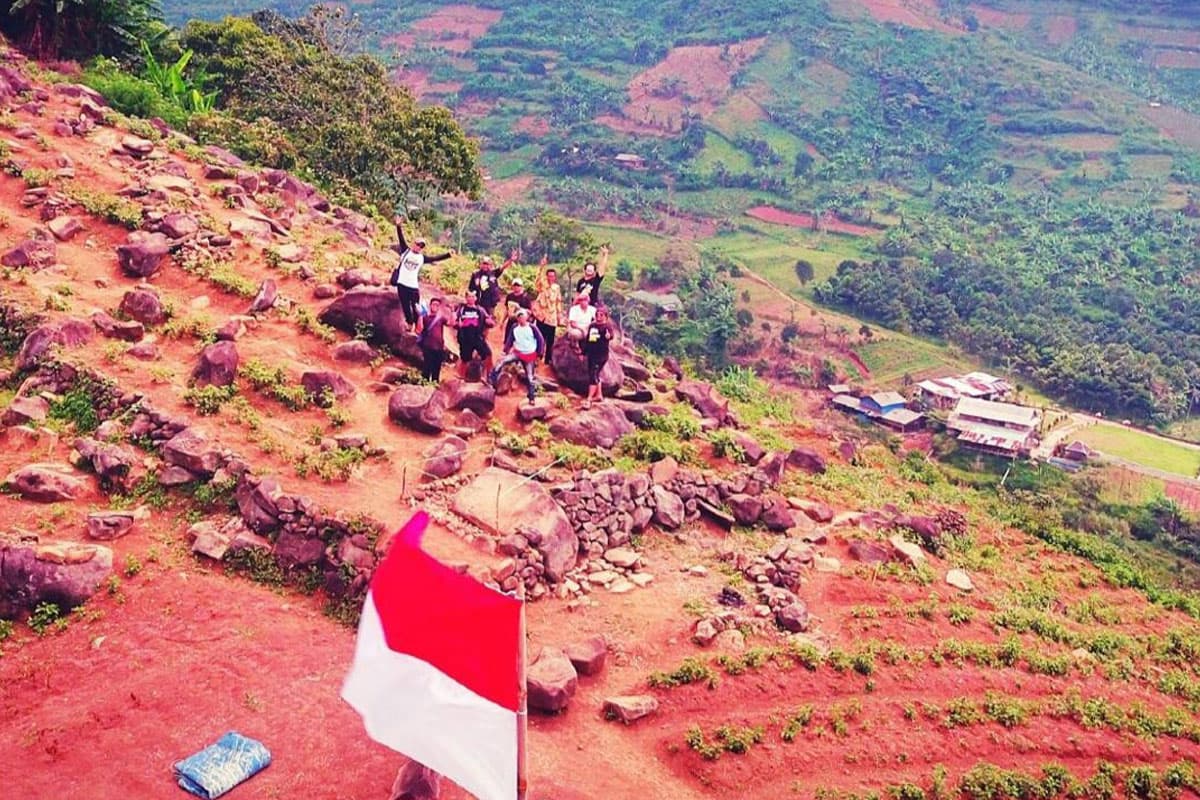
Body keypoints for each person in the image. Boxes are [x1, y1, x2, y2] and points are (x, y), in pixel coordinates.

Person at [390, 217, 452, 329]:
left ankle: (418, 324)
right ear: (414, 244)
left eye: (421, 246)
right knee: (405, 305)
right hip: (402, 283)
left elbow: (435, 258)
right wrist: (398, 226)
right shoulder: (406, 251)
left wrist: (448, 255)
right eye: (418, 244)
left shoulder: (422, 258)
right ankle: (409, 323)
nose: (419, 247)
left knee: (416, 306)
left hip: (413, 286)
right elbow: (401, 238)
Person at [488, 309, 545, 403]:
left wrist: (540, 353)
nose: (521, 319)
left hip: (529, 354)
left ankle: (531, 397)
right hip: (517, 352)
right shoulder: (515, 327)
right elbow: (510, 340)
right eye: (519, 317)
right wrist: (505, 351)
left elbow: (540, 340)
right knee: (501, 362)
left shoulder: (532, 328)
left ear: (526, 317)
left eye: (522, 317)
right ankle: (492, 382)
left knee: (530, 376)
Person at [449, 291, 493, 381]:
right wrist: (458, 324)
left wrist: (489, 322)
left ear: (476, 298)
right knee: (465, 358)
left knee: (488, 354)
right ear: (466, 298)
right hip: (465, 337)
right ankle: (461, 376)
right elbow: (453, 323)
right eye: (469, 296)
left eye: (473, 296)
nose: (471, 298)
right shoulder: (461, 309)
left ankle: (487, 376)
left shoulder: (480, 310)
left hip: (477, 337)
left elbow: (489, 321)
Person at [581, 305, 616, 409]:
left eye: (601, 315)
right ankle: (599, 395)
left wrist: (608, 336)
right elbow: (588, 340)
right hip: (591, 354)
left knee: (593, 376)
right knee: (595, 375)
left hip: (601, 356)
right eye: (597, 315)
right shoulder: (592, 326)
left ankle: (589, 400)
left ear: (605, 316)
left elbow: (611, 335)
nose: (599, 317)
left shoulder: (607, 327)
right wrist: (584, 353)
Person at [467, 250, 516, 323]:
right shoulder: (475, 274)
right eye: (484, 264)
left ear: (490, 265)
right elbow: (471, 289)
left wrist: (511, 260)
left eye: (487, 264)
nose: (485, 266)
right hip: (478, 303)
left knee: (489, 321)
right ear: (480, 264)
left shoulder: (493, 273)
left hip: (490, 304)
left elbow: (502, 267)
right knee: (477, 320)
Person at [531, 257, 563, 365]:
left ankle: (548, 360)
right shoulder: (542, 286)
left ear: (555, 277)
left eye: (553, 276)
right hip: (542, 316)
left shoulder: (557, 288)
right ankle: (537, 357)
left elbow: (558, 301)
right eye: (549, 276)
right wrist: (542, 266)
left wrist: (559, 316)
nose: (551, 278)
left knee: (551, 339)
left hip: (552, 316)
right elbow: (537, 279)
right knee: (540, 337)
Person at [416, 297, 449, 383]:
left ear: (439, 307)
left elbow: (451, 323)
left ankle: (434, 386)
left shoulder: (441, 318)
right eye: (434, 304)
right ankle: (424, 386)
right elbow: (419, 329)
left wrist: (453, 312)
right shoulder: (425, 317)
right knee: (427, 368)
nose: (435, 306)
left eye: (437, 305)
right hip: (428, 346)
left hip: (439, 347)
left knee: (436, 370)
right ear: (430, 306)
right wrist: (420, 316)